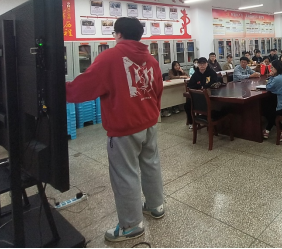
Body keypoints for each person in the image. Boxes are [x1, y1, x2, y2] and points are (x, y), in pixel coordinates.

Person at [66, 17, 164, 243]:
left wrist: (57, 89)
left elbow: (84, 87)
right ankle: (155, 205)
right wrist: (151, 114)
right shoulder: (151, 59)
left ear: (118, 34)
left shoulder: (109, 57)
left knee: (125, 174)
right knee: (151, 164)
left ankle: (131, 225)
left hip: (124, 127)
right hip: (149, 123)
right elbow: (157, 90)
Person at [185, 57, 221, 130]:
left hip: (210, 94)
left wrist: (205, 86)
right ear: (198, 65)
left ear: (207, 64)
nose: (202, 66)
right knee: (187, 105)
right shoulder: (195, 74)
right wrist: (200, 86)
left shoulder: (211, 72)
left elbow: (214, 81)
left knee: (217, 104)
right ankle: (191, 122)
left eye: (204, 64)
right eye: (200, 64)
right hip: (198, 95)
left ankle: (213, 120)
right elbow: (190, 86)